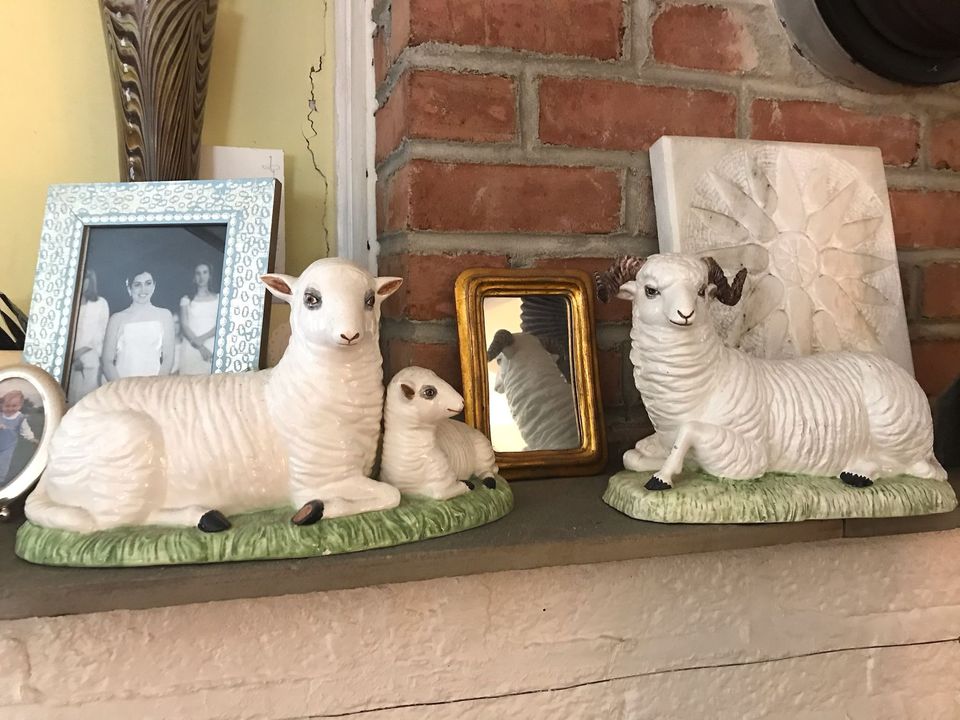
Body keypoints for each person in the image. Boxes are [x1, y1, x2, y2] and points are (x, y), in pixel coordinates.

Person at [101, 269, 175, 381]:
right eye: (137, 285)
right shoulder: (116, 319)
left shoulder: (165, 315)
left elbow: (168, 359)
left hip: (154, 384)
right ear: (129, 288)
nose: (143, 289)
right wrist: (122, 388)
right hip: (122, 384)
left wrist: (155, 386)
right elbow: (107, 362)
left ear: (154, 285)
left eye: (148, 283)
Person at [68, 269, 110, 403]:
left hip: (90, 358)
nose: (82, 282)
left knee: (88, 401)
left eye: (85, 278)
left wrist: (79, 353)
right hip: (66, 361)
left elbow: (101, 334)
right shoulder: (67, 302)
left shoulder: (100, 303)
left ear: (90, 281)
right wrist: (70, 356)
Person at [178, 262, 219, 375]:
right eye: (198, 273)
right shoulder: (186, 299)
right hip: (192, 346)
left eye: (205, 272)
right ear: (194, 277)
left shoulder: (218, 298)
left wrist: (202, 339)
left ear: (210, 275)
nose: (202, 277)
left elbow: (220, 325)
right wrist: (201, 348)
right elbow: (185, 326)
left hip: (212, 344)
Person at [0, 390, 36, 483]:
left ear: (20, 406)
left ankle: (1, 479)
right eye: (7, 406)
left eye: (14, 406)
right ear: (2, 405)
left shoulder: (20, 418)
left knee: (3, 462)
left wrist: (31, 438)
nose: (10, 409)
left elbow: (25, 430)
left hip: (8, 445)